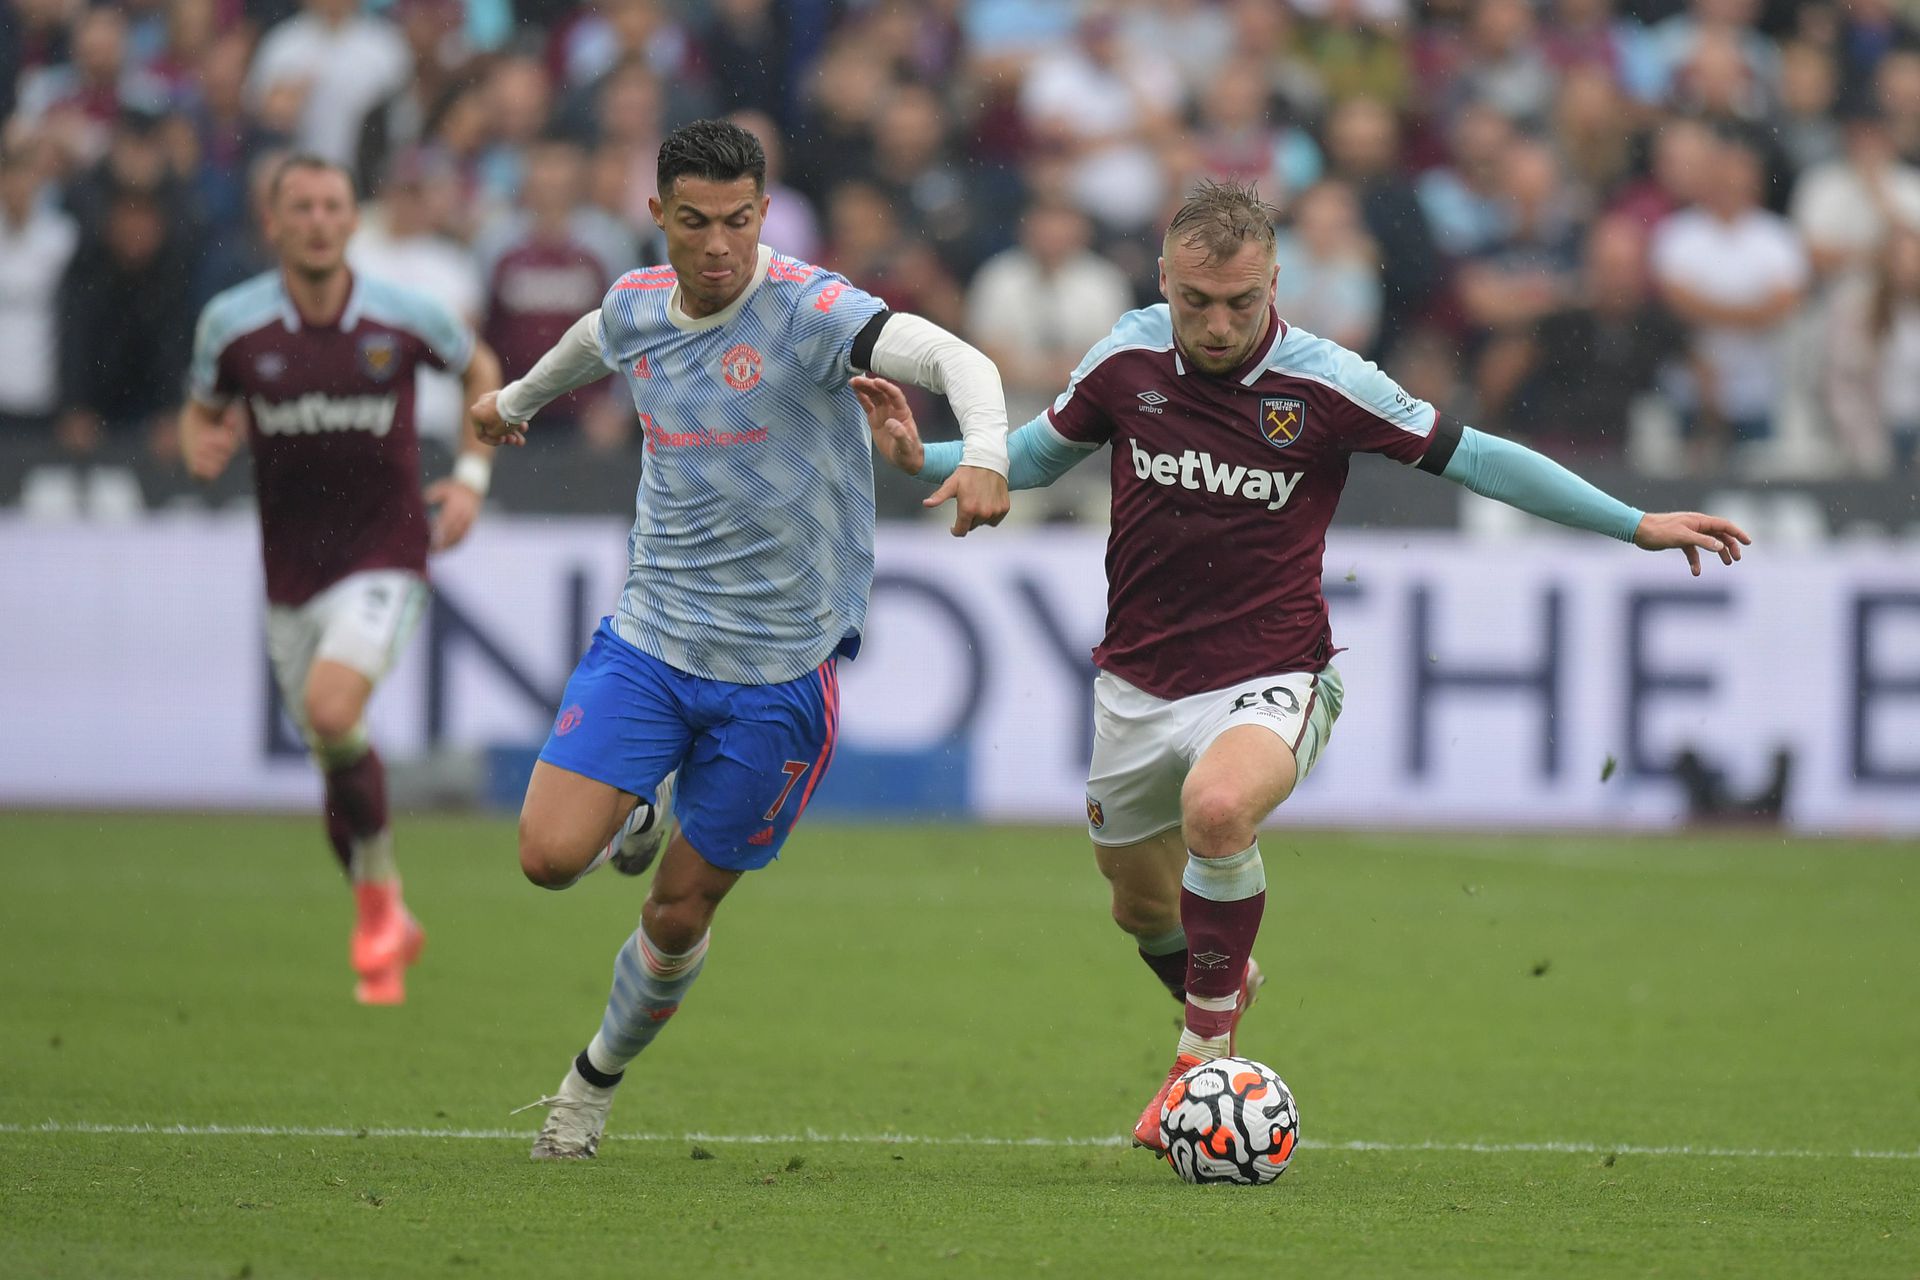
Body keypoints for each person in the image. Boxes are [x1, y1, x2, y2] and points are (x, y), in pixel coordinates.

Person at [857, 179, 1749, 1153]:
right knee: (1137, 902)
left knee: (1218, 810)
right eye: (1196, 300)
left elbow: (1479, 457)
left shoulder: (1328, 383)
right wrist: (924, 454)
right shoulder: (1127, 357)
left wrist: (1633, 522)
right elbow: (1029, 455)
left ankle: (1199, 1067)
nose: (1219, 322)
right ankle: (1220, 974)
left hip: (1272, 668)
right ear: (1164, 280)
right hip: (1136, 682)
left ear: (1276, 281)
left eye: (1242, 301)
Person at [468, 119, 1011, 1160]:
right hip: (654, 637)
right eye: (695, 222)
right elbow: (595, 335)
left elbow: (953, 355)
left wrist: (983, 451)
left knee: (675, 917)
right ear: (658, 216)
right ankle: (636, 803)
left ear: (764, 214)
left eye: (739, 221)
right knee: (545, 858)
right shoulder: (637, 305)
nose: (719, 245)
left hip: (778, 673)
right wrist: (516, 401)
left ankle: (589, 1085)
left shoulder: (809, 311)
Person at [179, 154, 506, 1005]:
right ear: (274, 224)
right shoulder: (233, 324)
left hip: (386, 551)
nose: (320, 220)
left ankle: (375, 911)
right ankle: (383, 901)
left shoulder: (402, 316)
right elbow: (203, 405)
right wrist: (199, 441)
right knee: (334, 750)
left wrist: (471, 480)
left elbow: (483, 369)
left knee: (331, 710)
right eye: (302, 207)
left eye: (332, 206)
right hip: (291, 574)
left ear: (351, 222)